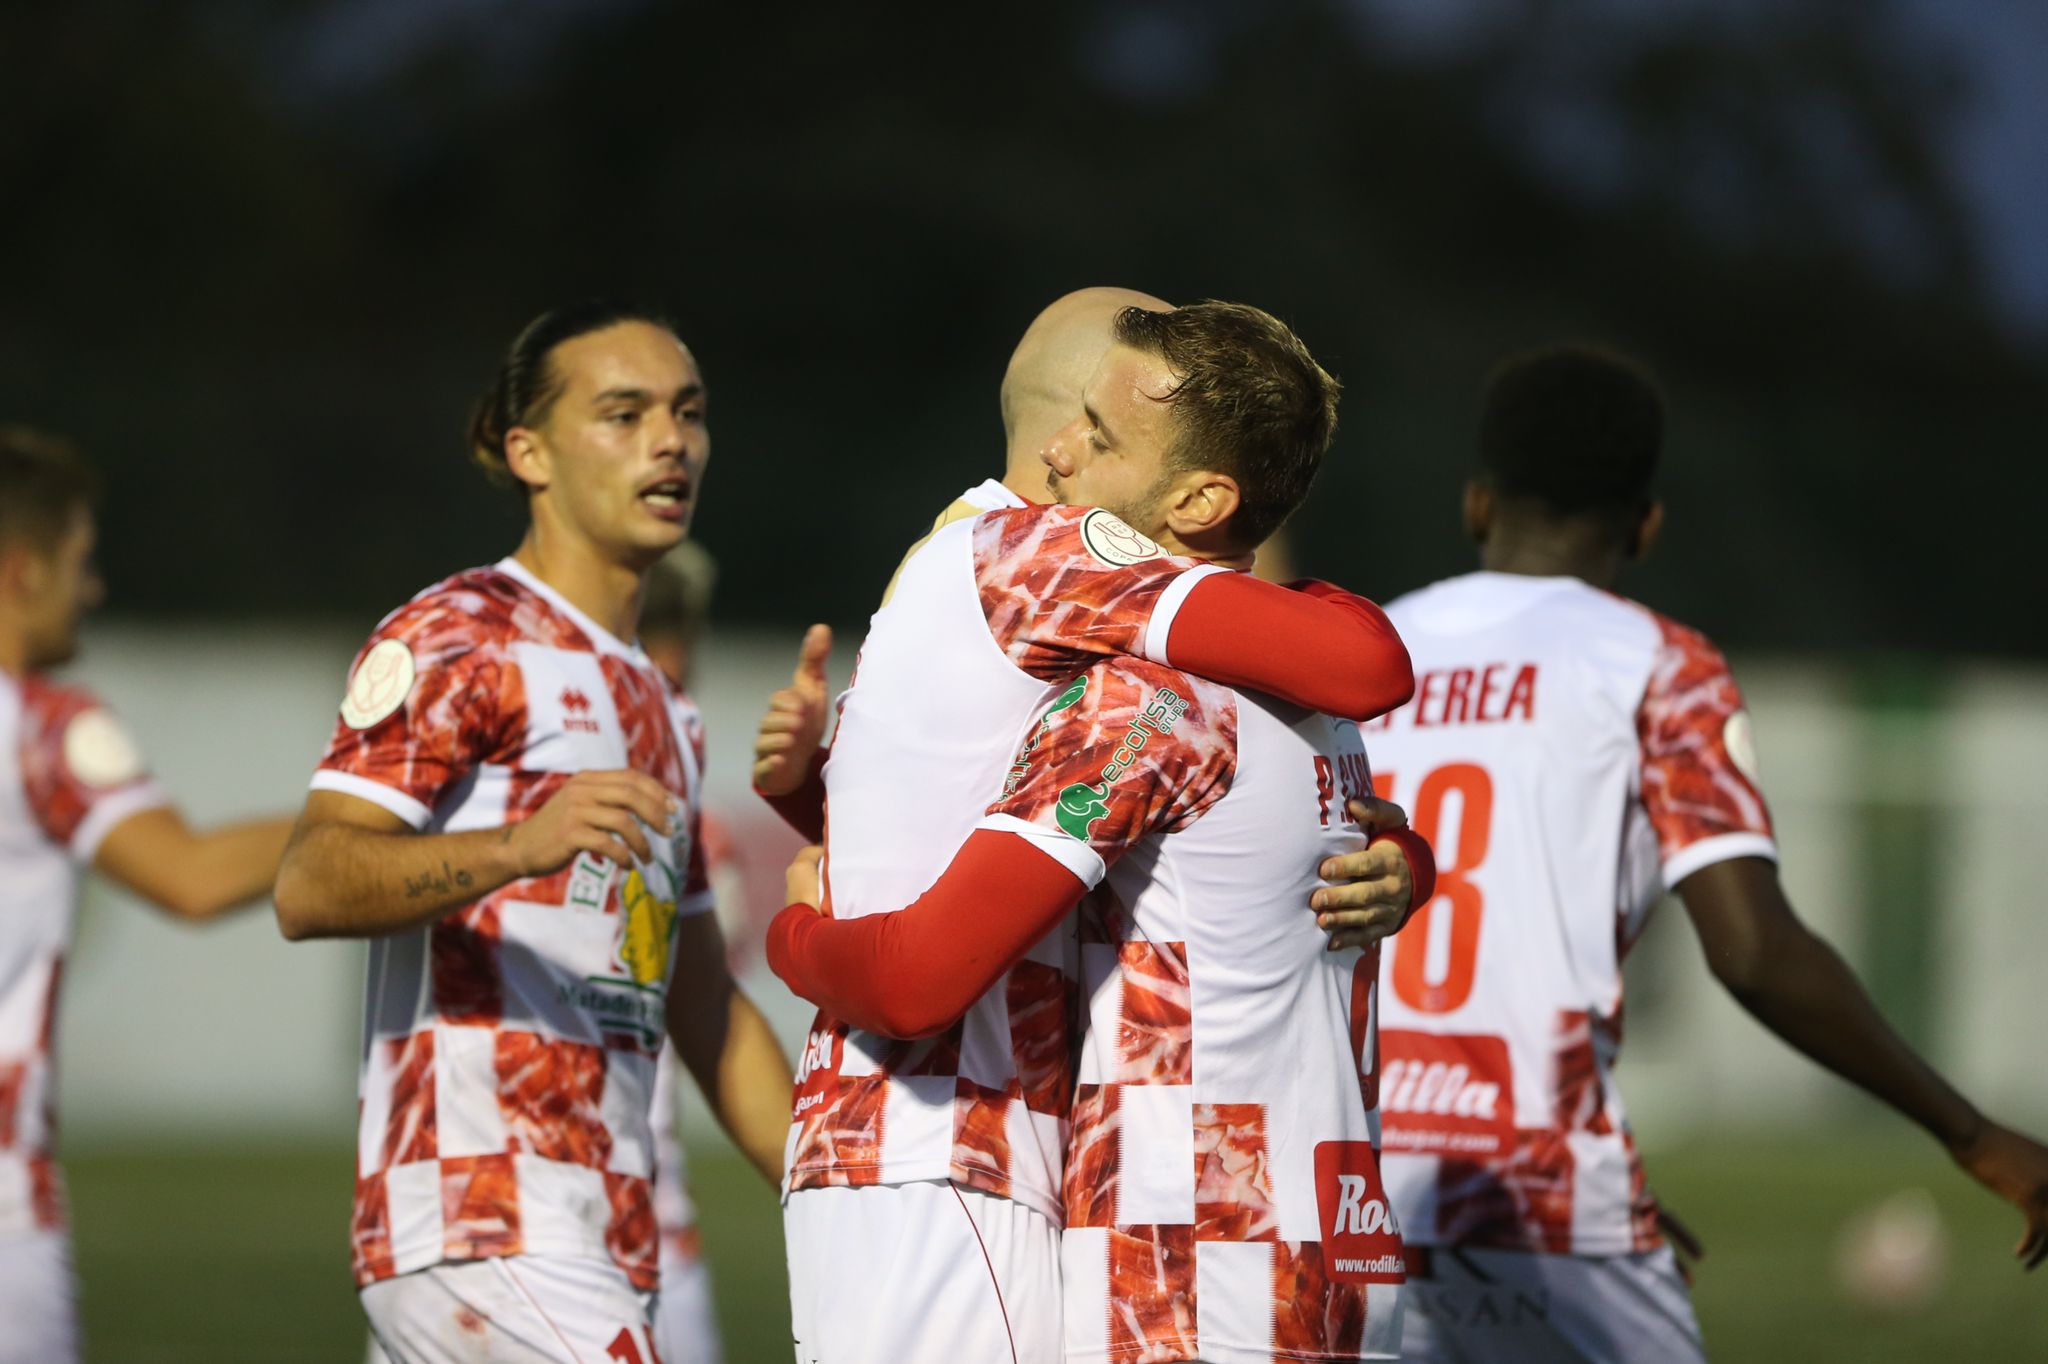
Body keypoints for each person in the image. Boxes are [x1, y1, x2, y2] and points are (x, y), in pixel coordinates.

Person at [754, 293, 1427, 1364]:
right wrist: (1407, 861)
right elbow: (1356, 675)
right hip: (1313, 1230)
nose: (1068, 456)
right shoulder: (1296, 707)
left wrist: (787, 926)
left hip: (1177, 1243)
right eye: (1077, 422)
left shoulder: (1138, 685)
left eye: (1103, 434)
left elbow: (921, 964)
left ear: (1202, 493)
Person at [1362, 344, 2048, 1364]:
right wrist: (1969, 1131)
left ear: (1475, 504)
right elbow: (1751, 950)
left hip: (1358, 1188)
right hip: (1547, 1190)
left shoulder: (1367, 650)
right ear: (1644, 523)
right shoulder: (1659, 665)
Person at [273, 302, 790, 1364]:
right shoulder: (457, 634)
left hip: (602, 1230)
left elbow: (696, 995)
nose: (670, 440)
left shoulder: (662, 703)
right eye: (623, 412)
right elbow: (311, 880)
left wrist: (836, 1180)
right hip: (481, 1214)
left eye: (687, 412)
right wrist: (517, 845)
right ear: (528, 450)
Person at [0, 427, 294, 1364]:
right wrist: (381, 806)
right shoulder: (41, 727)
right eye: (80, 560)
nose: (94, 588)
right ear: (20, 571)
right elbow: (193, 877)